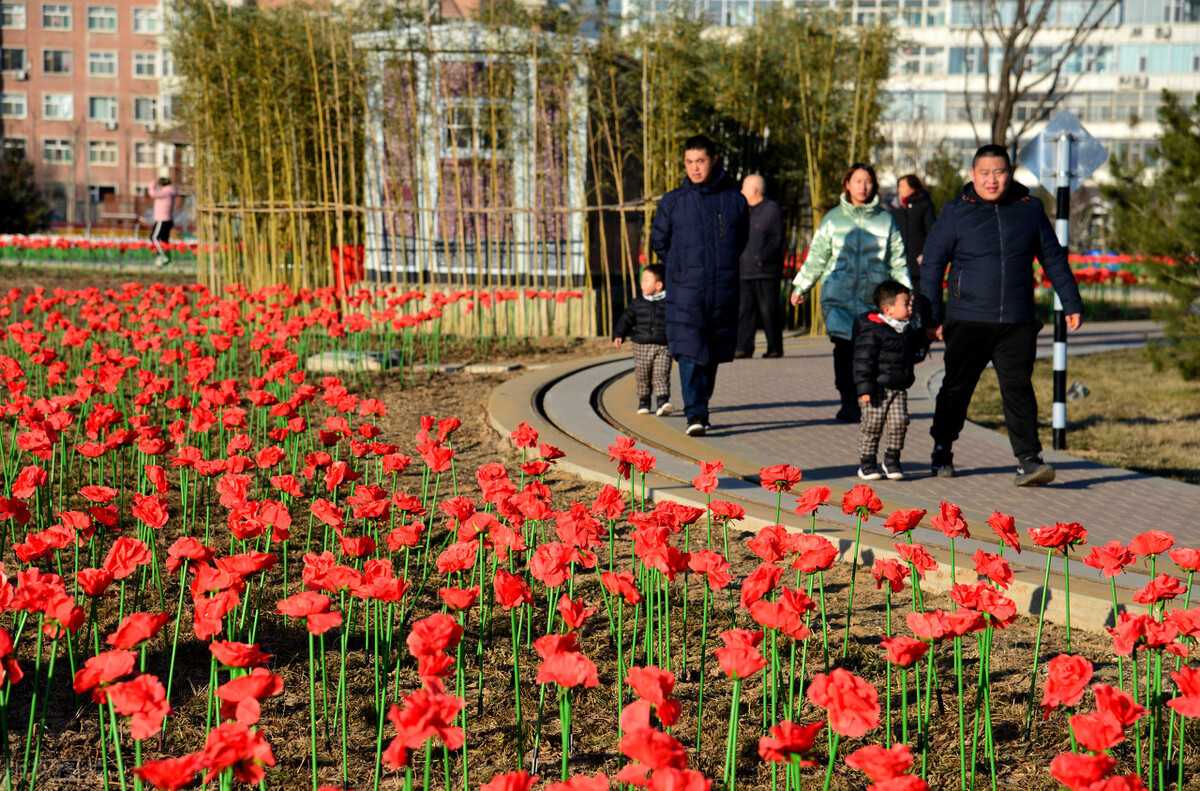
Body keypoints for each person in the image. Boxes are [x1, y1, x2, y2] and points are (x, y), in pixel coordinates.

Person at [920, 144, 1084, 486]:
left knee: (1018, 389)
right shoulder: (954, 212)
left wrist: (1071, 302)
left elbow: (1052, 258)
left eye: (999, 172)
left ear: (1009, 174)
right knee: (956, 388)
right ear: (973, 176)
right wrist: (931, 318)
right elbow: (933, 266)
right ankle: (942, 448)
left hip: (1017, 320)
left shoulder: (1029, 210)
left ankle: (1029, 460)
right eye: (985, 173)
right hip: (967, 319)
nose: (992, 180)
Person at [789, 163, 910, 423]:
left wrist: (905, 293)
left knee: (869, 352)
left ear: (874, 185)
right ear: (847, 184)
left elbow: (897, 259)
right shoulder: (833, 219)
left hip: (873, 300)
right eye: (857, 181)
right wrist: (801, 286)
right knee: (843, 352)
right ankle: (847, 401)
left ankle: (867, 398)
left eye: (867, 181)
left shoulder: (886, 219)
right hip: (839, 298)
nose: (862, 187)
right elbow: (817, 257)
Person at [651, 134, 748, 437]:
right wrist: (681, 266)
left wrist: (723, 264)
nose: (695, 168)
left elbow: (740, 240)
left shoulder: (735, 200)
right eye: (689, 162)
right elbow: (660, 241)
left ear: (713, 161)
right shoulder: (673, 201)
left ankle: (702, 405)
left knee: (713, 353)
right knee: (691, 352)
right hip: (686, 290)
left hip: (722, 288)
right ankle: (695, 412)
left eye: (700, 161)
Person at [852, 281, 924, 481]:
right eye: (906, 304)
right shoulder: (873, 330)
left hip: (898, 388)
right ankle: (867, 462)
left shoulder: (906, 329)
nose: (910, 309)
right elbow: (862, 361)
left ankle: (892, 459)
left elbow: (911, 354)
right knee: (872, 425)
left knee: (900, 423)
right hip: (876, 389)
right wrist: (864, 388)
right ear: (888, 309)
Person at [735, 174, 786, 359]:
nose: (741, 192)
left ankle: (774, 347)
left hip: (765, 270)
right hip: (744, 269)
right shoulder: (744, 211)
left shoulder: (771, 210)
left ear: (755, 190)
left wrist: (762, 257)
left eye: (744, 188)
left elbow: (777, 239)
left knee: (768, 310)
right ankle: (744, 346)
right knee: (744, 310)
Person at [613, 264, 674, 416]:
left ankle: (662, 401)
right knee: (642, 374)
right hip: (641, 345)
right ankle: (644, 400)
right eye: (642, 281)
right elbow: (626, 319)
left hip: (663, 345)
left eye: (646, 281)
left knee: (661, 373)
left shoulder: (669, 303)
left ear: (659, 285)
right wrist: (619, 333)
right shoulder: (637, 303)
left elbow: (674, 321)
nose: (642, 284)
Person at [888, 174, 937, 297]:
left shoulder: (924, 204)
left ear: (913, 187)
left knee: (916, 297)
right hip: (898, 259)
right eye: (899, 186)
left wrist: (924, 253)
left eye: (903, 186)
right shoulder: (895, 206)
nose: (900, 190)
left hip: (917, 262)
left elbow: (931, 231)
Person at [147, 177, 178, 267]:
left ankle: (162, 256)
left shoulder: (166, 192)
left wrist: (152, 184)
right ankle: (168, 260)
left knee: (154, 237)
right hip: (167, 219)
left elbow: (152, 194)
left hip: (162, 219)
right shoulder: (170, 191)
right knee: (164, 240)